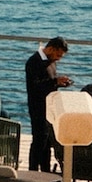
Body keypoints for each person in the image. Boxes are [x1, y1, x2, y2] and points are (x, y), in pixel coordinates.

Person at [25, 35, 71, 172]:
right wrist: (55, 82)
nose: (59, 58)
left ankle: (45, 171)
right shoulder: (33, 62)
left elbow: (48, 83)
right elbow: (35, 87)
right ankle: (32, 170)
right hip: (37, 107)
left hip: (49, 107)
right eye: (58, 54)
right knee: (39, 141)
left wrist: (59, 83)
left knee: (47, 142)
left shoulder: (51, 61)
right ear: (50, 49)